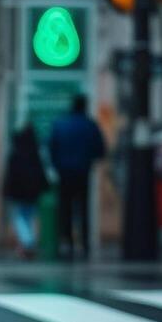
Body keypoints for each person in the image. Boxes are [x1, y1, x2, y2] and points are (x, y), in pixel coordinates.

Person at [47, 94, 107, 260]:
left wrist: (57, 165)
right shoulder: (90, 125)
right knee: (83, 209)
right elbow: (100, 150)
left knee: (64, 208)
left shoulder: (60, 125)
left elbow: (52, 147)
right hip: (83, 172)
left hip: (64, 173)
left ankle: (66, 241)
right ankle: (85, 243)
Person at [2, 124, 50, 258]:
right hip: (32, 193)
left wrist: (6, 190)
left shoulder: (16, 153)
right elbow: (41, 173)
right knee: (29, 218)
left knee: (20, 218)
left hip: (19, 193)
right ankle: (28, 242)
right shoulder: (35, 154)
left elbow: (10, 175)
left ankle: (27, 242)